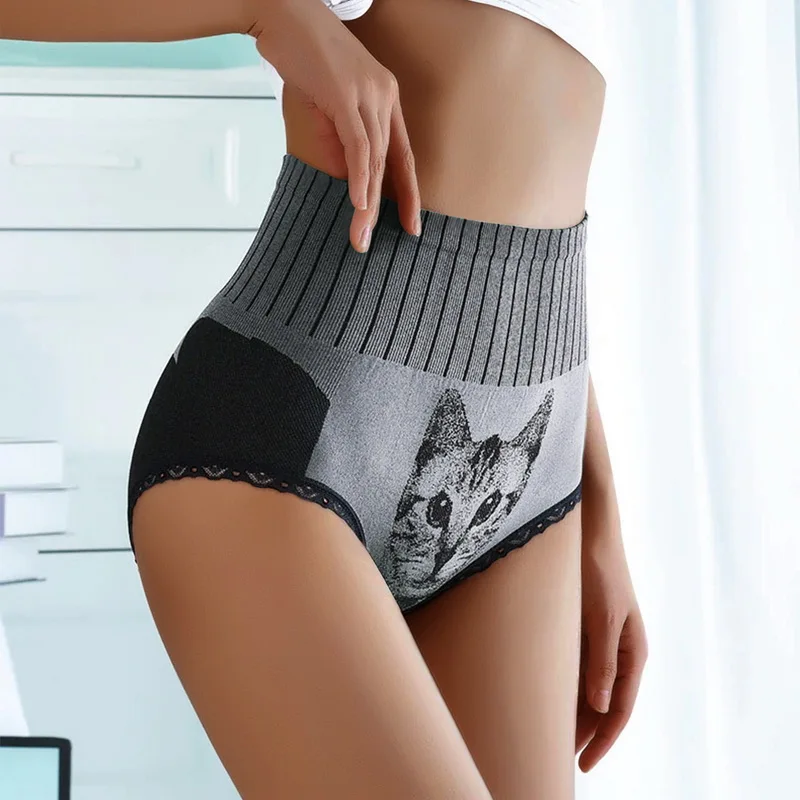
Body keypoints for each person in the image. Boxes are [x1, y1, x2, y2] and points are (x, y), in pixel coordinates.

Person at [3, 1, 648, 797]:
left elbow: (515, 266)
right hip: (288, 428)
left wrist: (601, 517)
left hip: (527, 467)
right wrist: (267, 13)